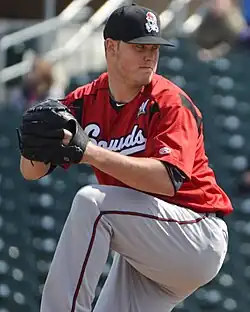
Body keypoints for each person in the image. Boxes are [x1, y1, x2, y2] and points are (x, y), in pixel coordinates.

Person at [20, 4, 233, 312]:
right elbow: (31, 172)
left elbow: (166, 180)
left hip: (194, 233)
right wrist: (33, 149)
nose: (150, 56)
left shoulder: (170, 102)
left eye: (154, 48)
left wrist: (90, 152)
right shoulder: (84, 102)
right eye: (139, 47)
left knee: (92, 203)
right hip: (147, 246)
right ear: (111, 47)